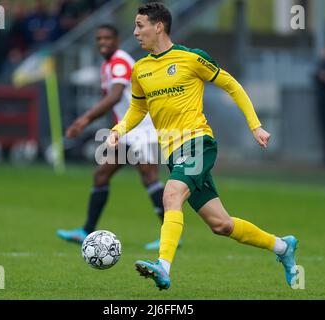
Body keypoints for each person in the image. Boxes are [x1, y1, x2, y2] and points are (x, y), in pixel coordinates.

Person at [106, 2, 299, 290]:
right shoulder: (141, 69)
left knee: (171, 194)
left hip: (198, 143)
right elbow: (136, 109)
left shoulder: (191, 58)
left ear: (158, 27)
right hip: (173, 152)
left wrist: (255, 125)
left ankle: (163, 266)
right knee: (221, 225)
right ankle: (283, 247)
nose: (135, 32)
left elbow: (231, 84)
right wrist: (118, 130)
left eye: (140, 25)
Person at [57, 24, 168, 250]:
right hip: (126, 130)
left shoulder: (119, 61)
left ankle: (170, 234)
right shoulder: (109, 64)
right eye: (99, 38)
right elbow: (113, 96)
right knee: (101, 174)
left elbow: (116, 95)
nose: (102, 42)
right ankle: (86, 230)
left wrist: (85, 119)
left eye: (107, 38)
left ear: (117, 40)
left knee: (149, 177)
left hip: (142, 128)